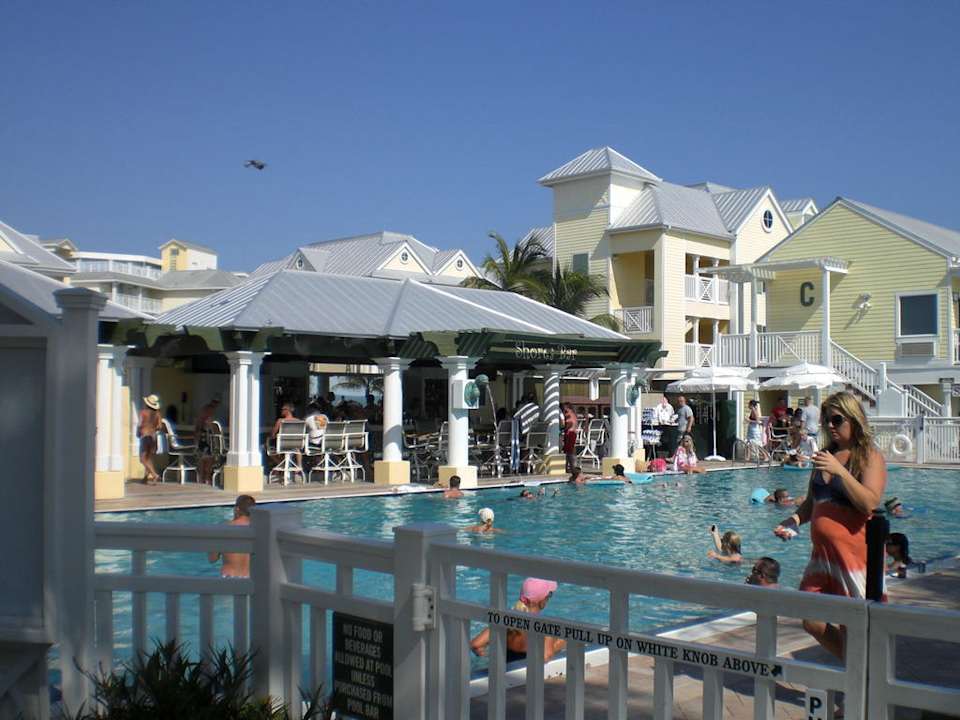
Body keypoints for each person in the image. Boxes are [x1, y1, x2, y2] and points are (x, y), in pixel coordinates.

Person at [773, 391, 887, 660]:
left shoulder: (868, 456)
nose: (830, 426)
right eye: (826, 421)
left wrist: (839, 471)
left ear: (854, 419)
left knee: (855, 626)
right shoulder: (825, 455)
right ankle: (859, 672)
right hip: (822, 557)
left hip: (854, 557)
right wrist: (794, 520)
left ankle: (860, 686)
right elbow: (814, 501)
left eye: (837, 420)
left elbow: (869, 502)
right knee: (811, 618)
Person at [470, 578, 565, 662]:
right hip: (524, 676)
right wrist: (557, 644)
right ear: (543, 600)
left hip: (503, 668)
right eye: (549, 595)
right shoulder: (544, 627)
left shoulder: (505, 619)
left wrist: (487, 657)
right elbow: (546, 657)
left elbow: (475, 645)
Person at [208, 495, 256, 578]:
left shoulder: (223, 529)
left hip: (229, 579)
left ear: (237, 509)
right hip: (251, 581)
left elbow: (212, 559)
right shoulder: (258, 529)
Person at [137, 394, 163, 484]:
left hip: (145, 436)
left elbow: (140, 424)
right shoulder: (157, 414)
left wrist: (138, 432)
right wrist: (153, 428)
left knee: (142, 458)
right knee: (149, 457)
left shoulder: (143, 412)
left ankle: (154, 474)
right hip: (153, 437)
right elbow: (160, 426)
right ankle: (145, 478)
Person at [266, 402, 301, 468]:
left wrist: (269, 438)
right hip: (295, 446)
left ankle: (281, 464)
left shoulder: (280, 421)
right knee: (297, 449)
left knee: (266, 448)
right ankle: (299, 466)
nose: (281, 411)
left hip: (282, 445)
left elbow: (272, 434)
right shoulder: (298, 421)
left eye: (282, 409)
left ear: (287, 411)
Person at [562, 403, 578, 473]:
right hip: (572, 433)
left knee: (569, 451)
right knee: (568, 451)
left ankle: (571, 467)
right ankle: (570, 467)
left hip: (570, 433)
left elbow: (570, 423)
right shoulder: (573, 414)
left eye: (565, 408)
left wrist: (564, 426)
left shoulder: (569, 415)